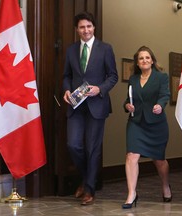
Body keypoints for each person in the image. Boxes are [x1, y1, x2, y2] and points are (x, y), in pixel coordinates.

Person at [63, 11, 118, 205]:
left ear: (94, 28)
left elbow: (113, 76)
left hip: (97, 104)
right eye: (82, 27)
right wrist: (67, 90)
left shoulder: (105, 49)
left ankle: (89, 190)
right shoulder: (71, 50)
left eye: (89, 26)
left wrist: (99, 89)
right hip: (76, 106)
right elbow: (66, 76)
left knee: (93, 149)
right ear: (76, 29)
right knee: (74, 145)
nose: (86, 30)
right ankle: (87, 178)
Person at [122, 46, 171, 209]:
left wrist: (160, 105)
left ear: (152, 60)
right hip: (136, 122)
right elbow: (128, 100)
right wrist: (127, 106)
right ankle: (131, 194)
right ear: (137, 62)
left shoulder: (161, 77)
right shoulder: (133, 79)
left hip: (156, 123)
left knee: (159, 160)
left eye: (147, 58)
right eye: (141, 58)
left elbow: (165, 95)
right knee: (131, 155)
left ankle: (165, 186)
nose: (144, 60)